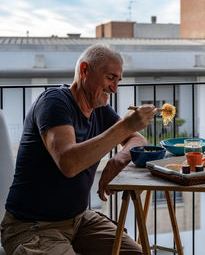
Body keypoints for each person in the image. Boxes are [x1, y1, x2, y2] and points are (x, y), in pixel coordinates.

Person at [1, 44, 157, 254]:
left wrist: (118, 160)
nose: (115, 88)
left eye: (118, 81)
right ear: (85, 70)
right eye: (110, 78)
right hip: (33, 226)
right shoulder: (54, 102)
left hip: (80, 219)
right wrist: (126, 125)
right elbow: (69, 163)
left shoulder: (99, 110)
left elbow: (137, 139)